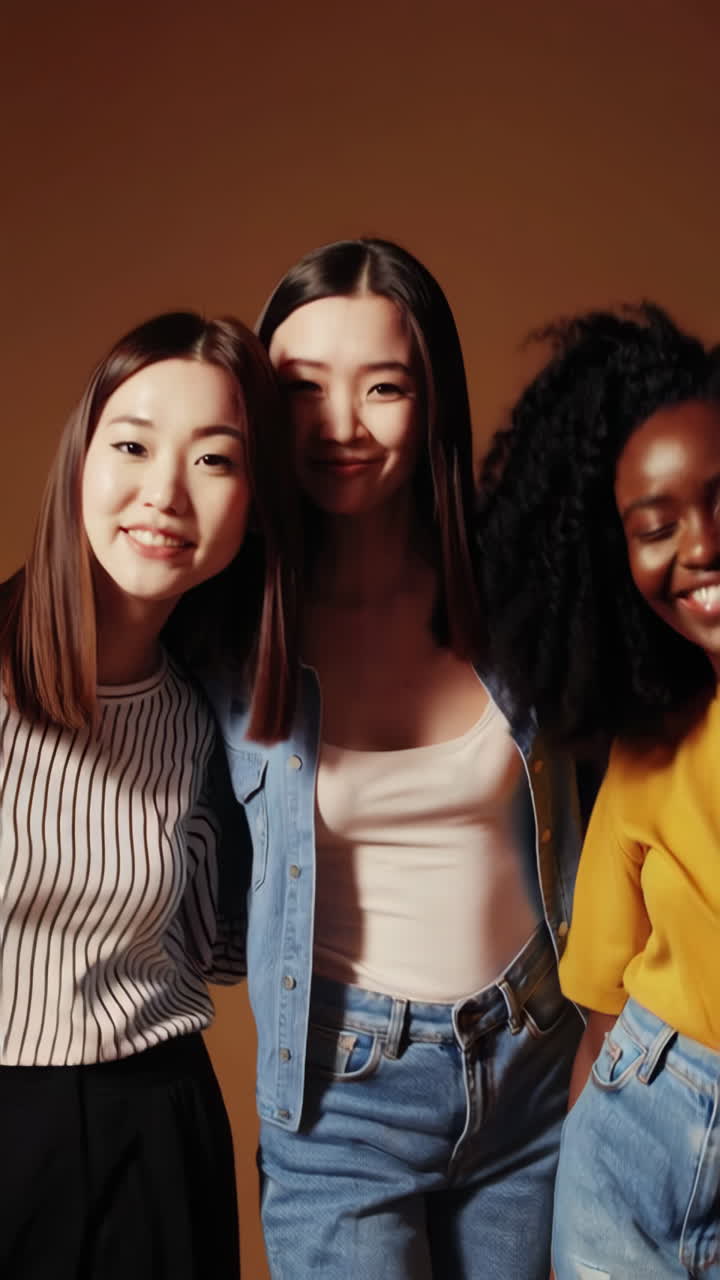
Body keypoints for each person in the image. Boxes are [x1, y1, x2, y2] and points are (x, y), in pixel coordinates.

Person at [205, 238, 588, 1279]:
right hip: (342, 1091)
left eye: (383, 385)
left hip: (530, 1069)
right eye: (301, 389)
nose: (341, 425)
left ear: (434, 401)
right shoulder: (223, 620)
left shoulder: (520, 588)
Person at [0, 310, 297, 1280]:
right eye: (132, 444)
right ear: (80, 459)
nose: (164, 492)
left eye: (215, 459)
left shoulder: (213, 718)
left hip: (157, 1133)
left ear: (253, 502)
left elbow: (219, 952)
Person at [477, 303, 720, 1279]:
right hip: (633, 1125)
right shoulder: (651, 740)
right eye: (654, 526)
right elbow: (602, 1003)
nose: (698, 544)